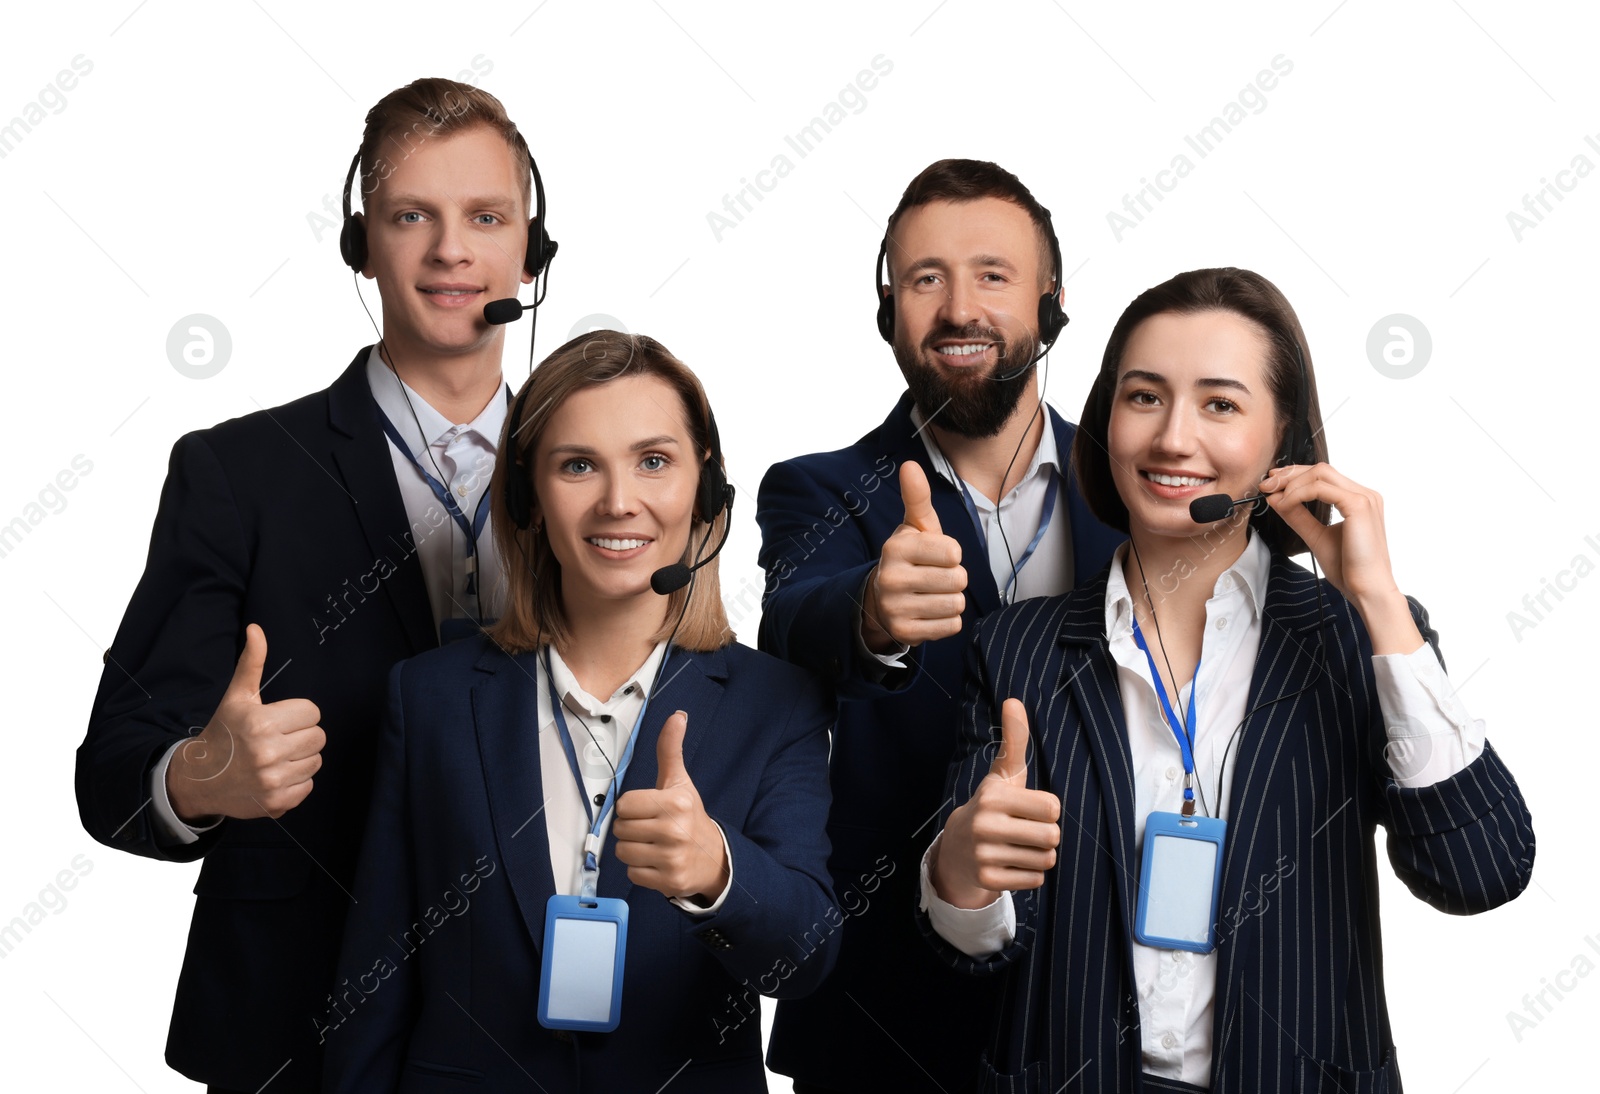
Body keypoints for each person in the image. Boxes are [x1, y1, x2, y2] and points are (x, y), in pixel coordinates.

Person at [922, 267, 1535, 1091]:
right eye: (1144, 397)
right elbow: (980, 949)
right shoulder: (1018, 650)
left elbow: (1481, 873)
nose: (1174, 438)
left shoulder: (1360, 641)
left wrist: (1380, 605)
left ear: (1284, 442)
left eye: (1220, 403)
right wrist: (959, 876)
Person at [74, 77, 549, 1092]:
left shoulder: (612, 471)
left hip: (541, 1018)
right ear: (362, 244)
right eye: (411, 215)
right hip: (298, 1021)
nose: (451, 251)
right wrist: (201, 777)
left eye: (486, 217)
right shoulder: (239, 474)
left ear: (530, 249)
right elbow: (111, 773)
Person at [323, 331, 838, 1092]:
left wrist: (717, 873)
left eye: (654, 461)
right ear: (528, 499)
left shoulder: (779, 701)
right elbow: (376, 981)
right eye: (578, 465)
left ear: (707, 492)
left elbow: (806, 957)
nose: (618, 501)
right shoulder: (427, 697)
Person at [758, 159, 1125, 1091]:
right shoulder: (820, 489)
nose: (960, 309)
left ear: (1052, 301)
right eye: (927, 279)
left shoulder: (1139, 491)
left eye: (993, 276)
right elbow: (791, 622)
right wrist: (871, 611)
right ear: (889, 309)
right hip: (888, 1017)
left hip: (1100, 1007)